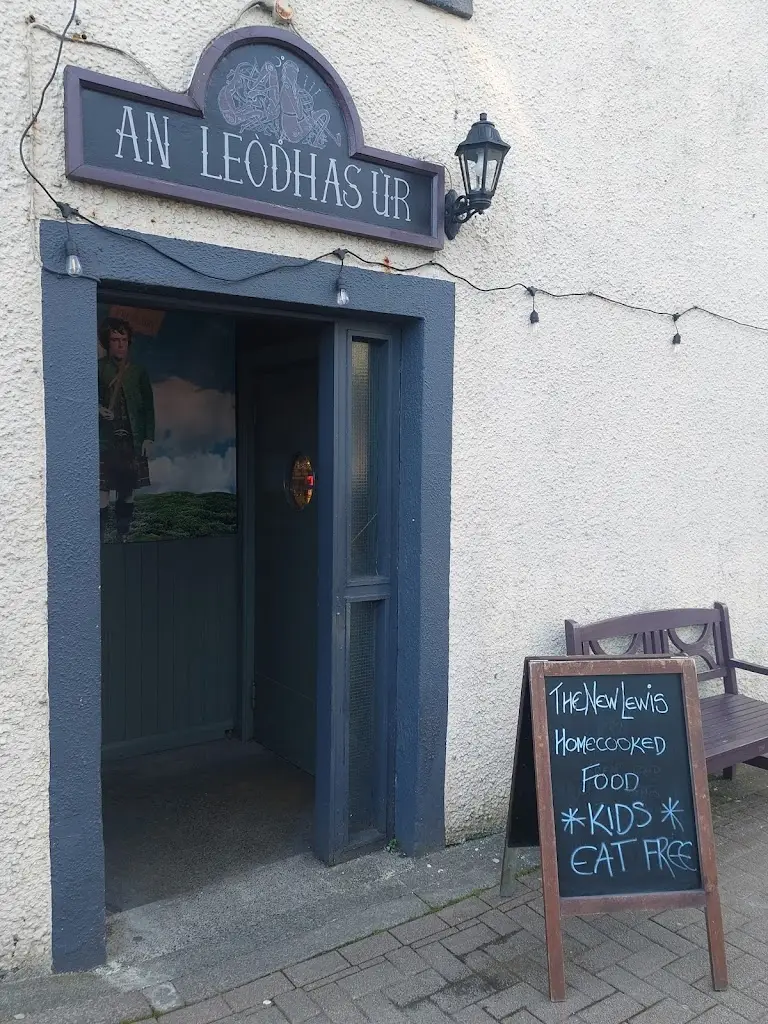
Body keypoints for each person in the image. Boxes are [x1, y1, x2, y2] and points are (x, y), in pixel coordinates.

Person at [98, 318, 155, 541]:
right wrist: (99, 410)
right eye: (115, 340)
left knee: (127, 492)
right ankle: (100, 539)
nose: (120, 344)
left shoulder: (138, 372)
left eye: (124, 340)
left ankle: (123, 535)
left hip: (131, 441)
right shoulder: (98, 368)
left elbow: (148, 408)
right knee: (102, 493)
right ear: (107, 343)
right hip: (105, 441)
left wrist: (148, 437)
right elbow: (85, 398)